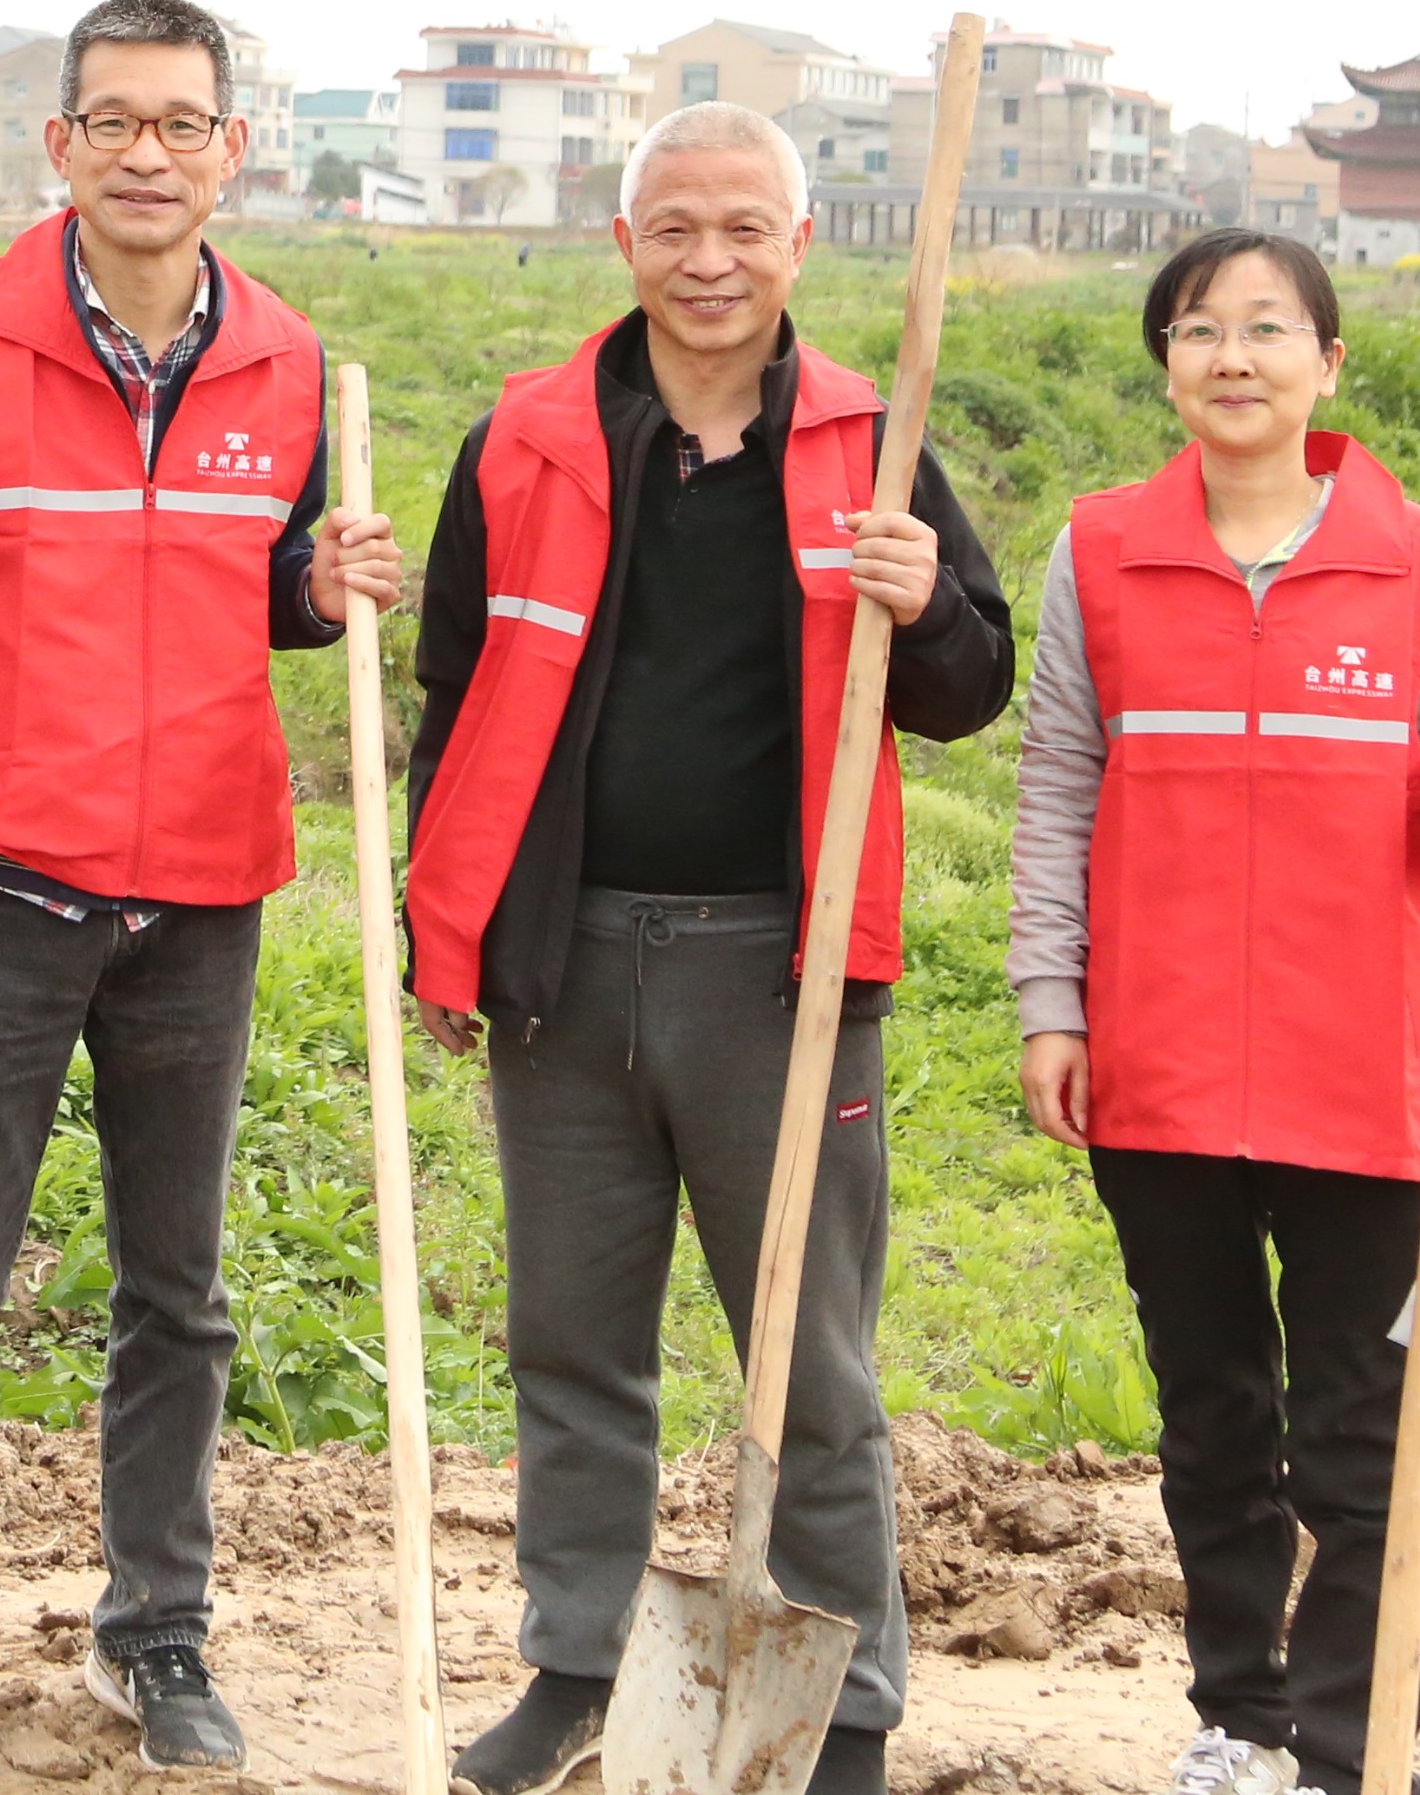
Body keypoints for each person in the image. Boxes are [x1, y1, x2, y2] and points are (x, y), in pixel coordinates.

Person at [0, 0, 411, 1777]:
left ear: (235, 149)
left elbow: (258, 592)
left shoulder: (288, 364)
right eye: (116, 121)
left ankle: (158, 1629)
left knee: (183, 1290)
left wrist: (319, 589)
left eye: (182, 122)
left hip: (202, 891)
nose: (150, 153)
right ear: (60, 144)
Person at [400, 104, 1016, 1795]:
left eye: (746, 227)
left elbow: (972, 687)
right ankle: (578, 1666)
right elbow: (456, 693)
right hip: (567, 961)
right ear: (626, 243)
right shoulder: (525, 440)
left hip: (781, 974)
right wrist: (448, 927)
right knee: (571, 1339)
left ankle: (847, 1705)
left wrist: (925, 600)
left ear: (800, 244)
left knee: (811, 1361)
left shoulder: (874, 444)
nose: (710, 259)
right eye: (675, 226)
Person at [1006, 228, 1420, 1795]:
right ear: (1166, 364)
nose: (1233, 356)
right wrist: (1053, 999)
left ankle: (1349, 1748)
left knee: (1362, 1429)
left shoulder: (1417, 557)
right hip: (1162, 1057)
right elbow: (1059, 785)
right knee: (1210, 1413)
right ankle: (1240, 1719)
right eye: (1199, 328)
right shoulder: (1101, 551)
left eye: (1268, 328)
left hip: (1363, 1065)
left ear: (1329, 362)